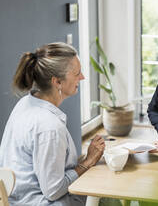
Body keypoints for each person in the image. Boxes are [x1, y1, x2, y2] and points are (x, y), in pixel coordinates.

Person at [0, 42, 105, 205]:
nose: (82, 77)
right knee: (105, 194)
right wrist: (88, 162)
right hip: (40, 202)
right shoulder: (49, 126)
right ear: (57, 82)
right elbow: (54, 190)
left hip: (17, 198)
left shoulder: (25, 103)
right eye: (77, 73)